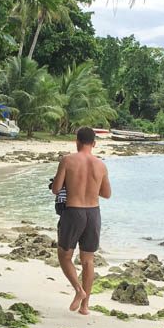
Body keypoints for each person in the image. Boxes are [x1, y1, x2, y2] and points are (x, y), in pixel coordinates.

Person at [50, 127, 111, 315]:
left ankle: (78, 289)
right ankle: (85, 307)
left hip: (73, 212)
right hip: (93, 213)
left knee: (64, 255)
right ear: (94, 143)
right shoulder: (100, 165)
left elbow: (56, 189)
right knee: (88, 261)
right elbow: (107, 194)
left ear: (77, 141)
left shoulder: (68, 160)